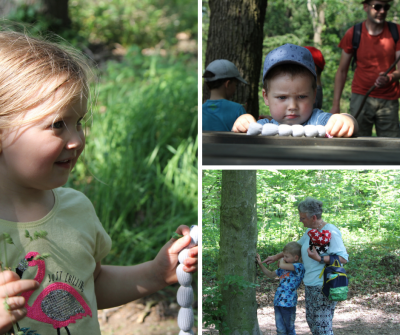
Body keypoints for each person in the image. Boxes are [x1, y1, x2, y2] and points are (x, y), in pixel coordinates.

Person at [0, 31, 198, 335]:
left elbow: (91, 286)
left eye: (79, 122)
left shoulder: (76, 208)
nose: (77, 140)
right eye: (57, 125)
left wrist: (157, 273)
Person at [232, 44, 358, 137]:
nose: (292, 106)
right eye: (282, 97)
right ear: (266, 97)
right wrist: (243, 123)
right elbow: (243, 138)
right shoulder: (264, 126)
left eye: (302, 97)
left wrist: (346, 120)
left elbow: (345, 122)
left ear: (314, 95)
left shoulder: (319, 120)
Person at [263, 197, 349, 335]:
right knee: (312, 321)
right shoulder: (310, 232)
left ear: (313, 217)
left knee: (322, 325)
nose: (300, 220)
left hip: (324, 285)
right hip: (310, 284)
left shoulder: (331, 231)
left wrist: (319, 258)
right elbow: (295, 247)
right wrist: (276, 257)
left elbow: (343, 258)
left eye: (302, 218)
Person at [330, 0, 400, 137]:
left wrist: (390, 77)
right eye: (377, 7)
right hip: (360, 97)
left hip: (389, 100)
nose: (382, 11)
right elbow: (342, 71)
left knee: (390, 145)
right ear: (366, 7)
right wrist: (335, 105)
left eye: (386, 7)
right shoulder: (354, 33)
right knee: (357, 141)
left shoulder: (396, 31)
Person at [256, 242, 305, 335]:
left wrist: (281, 259)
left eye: (287, 256)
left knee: (289, 329)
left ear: (296, 258)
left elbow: (282, 264)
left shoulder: (299, 267)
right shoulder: (283, 269)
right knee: (280, 329)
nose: (284, 258)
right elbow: (270, 274)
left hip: (289, 303)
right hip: (278, 302)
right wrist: (260, 264)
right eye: (284, 256)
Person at [202, 59, 248, 131]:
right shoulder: (238, 109)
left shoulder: (201, 110)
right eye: (235, 84)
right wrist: (241, 112)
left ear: (208, 85)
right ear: (228, 84)